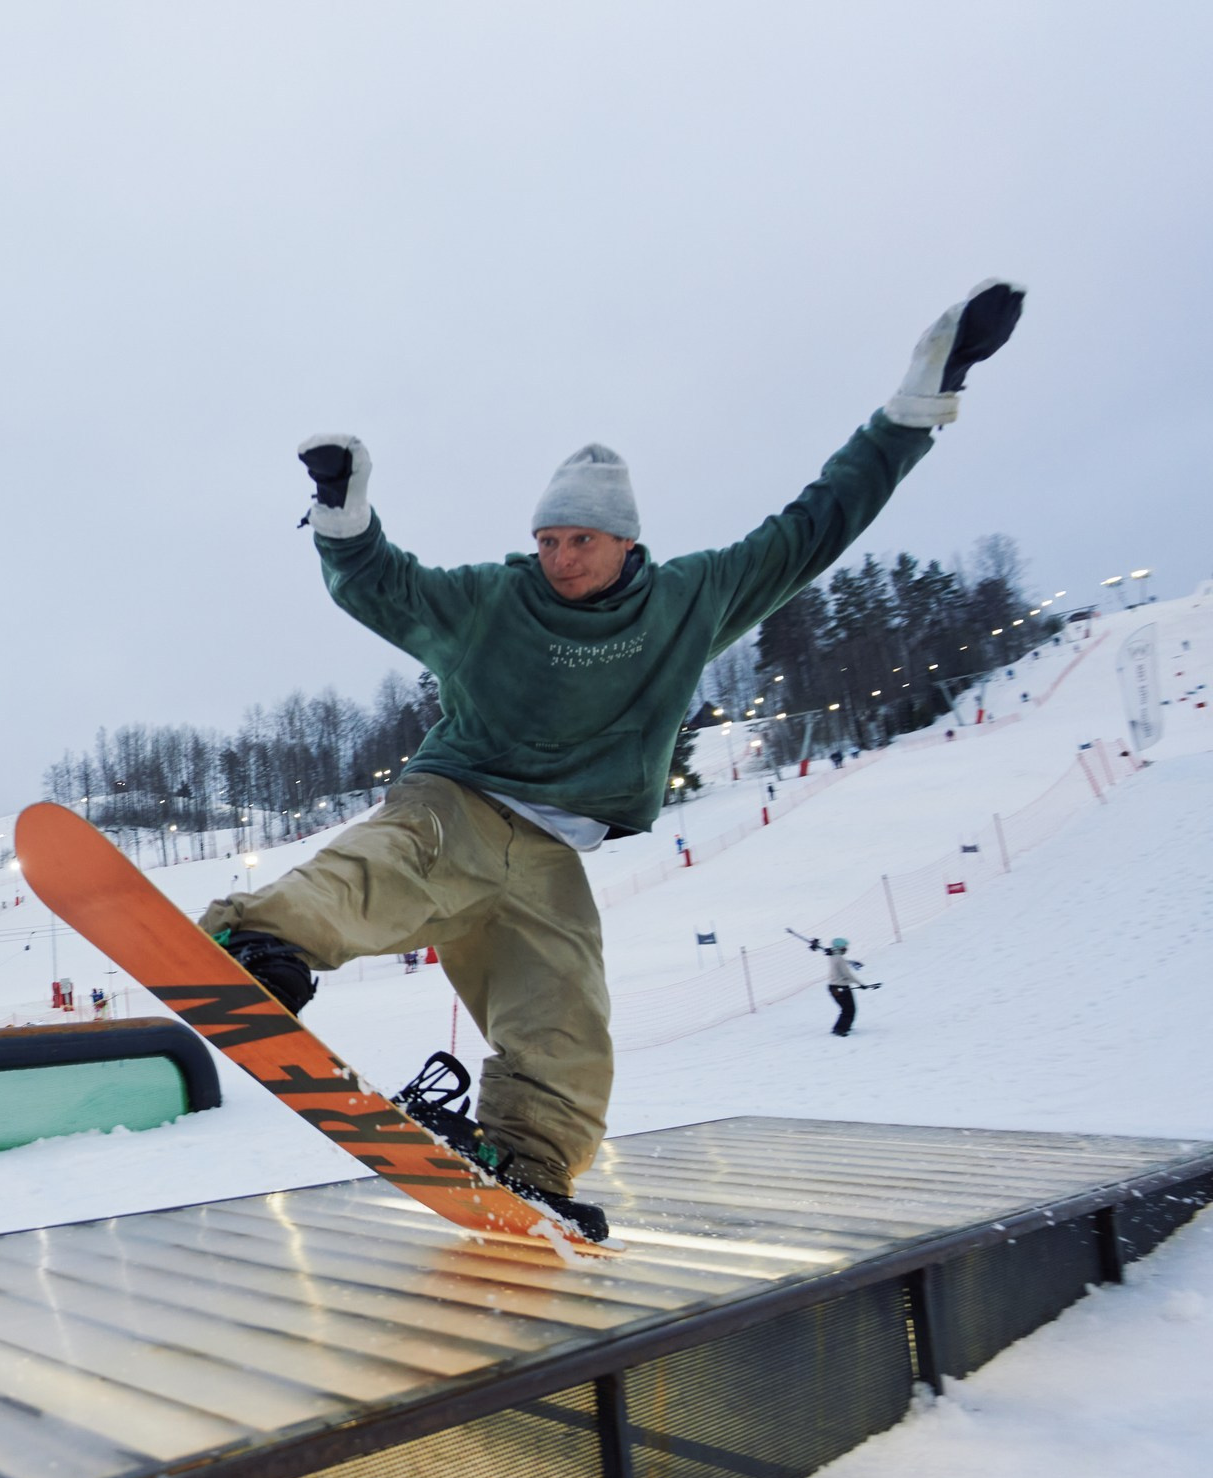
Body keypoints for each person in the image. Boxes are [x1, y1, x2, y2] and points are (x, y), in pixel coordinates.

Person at [198, 282, 1024, 1242]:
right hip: (460, 798)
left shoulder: (692, 598)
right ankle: (260, 940)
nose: (558, 558)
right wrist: (343, 514)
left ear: (625, 539)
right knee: (392, 865)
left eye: (579, 540)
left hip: (554, 855)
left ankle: (527, 1156)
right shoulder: (495, 600)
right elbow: (388, 589)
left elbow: (816, 524)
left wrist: (920, 402)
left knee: (567, 1017)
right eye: (547, 540)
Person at [813, 935, 868, 1035]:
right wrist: (861, 984)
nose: (846, 949)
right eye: (845, 947)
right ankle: (840, 1029)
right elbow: (847, 974)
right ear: (840, 947)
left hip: (833, 987)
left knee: (846, 1009)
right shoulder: (839, 959)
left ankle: (842, 1027)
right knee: (849, 1009)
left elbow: (831, 953)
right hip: (841, 987)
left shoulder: (833, 956)